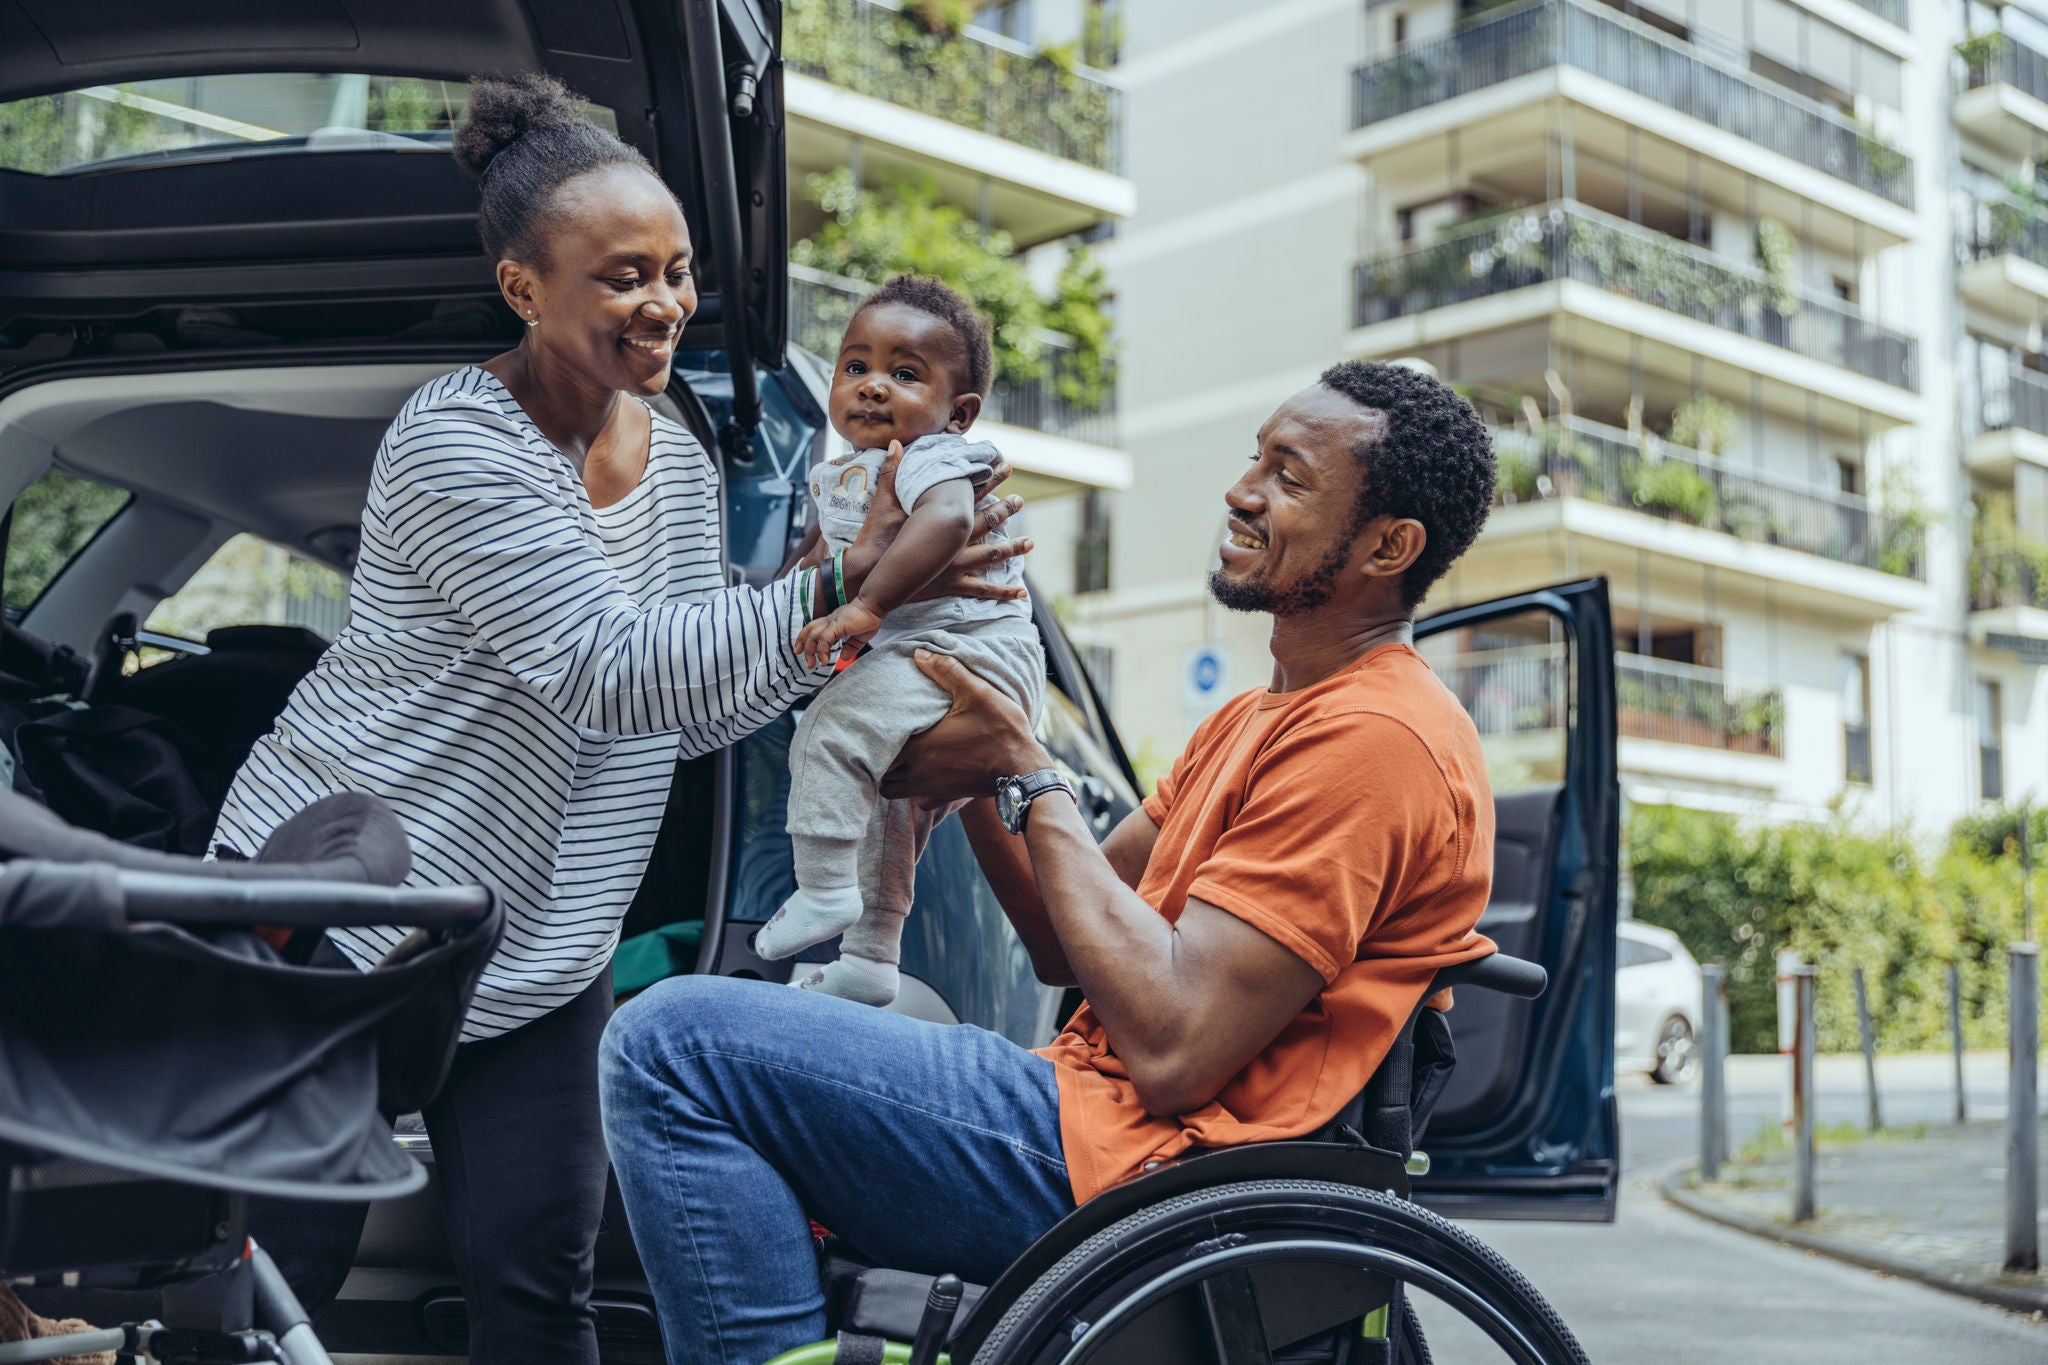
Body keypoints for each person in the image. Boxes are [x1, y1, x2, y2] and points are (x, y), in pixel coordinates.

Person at [210, 74, 1029, 1363]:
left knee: (542, 1286)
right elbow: (607, 667)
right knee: (275, 1289)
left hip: (542, 938)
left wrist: (853, 623)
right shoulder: (455, 443)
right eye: (621, 277)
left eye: (677, 270)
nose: (664, 305)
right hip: (356, 910)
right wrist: (839, 580)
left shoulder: (681, 457)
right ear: (523, 287)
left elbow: (694, 700)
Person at [600, 359, 1503, 1365]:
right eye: (1254, 459)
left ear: (1389, 545)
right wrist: (985, 766)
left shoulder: (1378, 738)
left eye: (1288, 477)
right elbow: (1060, 943)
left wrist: (1026, 771)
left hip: (1158, 1176)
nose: (1240, 492)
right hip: (1098, 1125)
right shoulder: (1259, 716)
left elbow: (1170, 1047)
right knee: (813, 1013)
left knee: (670, 1046)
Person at [752, 274, 1044, 1005]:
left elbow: (945, 524)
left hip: (969, 656)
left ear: (959, 412)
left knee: (831, 724)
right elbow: (807, 572)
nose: (873, 386)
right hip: (928, 659)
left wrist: (868, 606)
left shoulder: (934, 457)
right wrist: (802, 591)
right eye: (857, 367)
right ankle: (871, 956)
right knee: (885, 807)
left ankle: (822, 892)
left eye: (904, 373)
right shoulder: (842, 475)